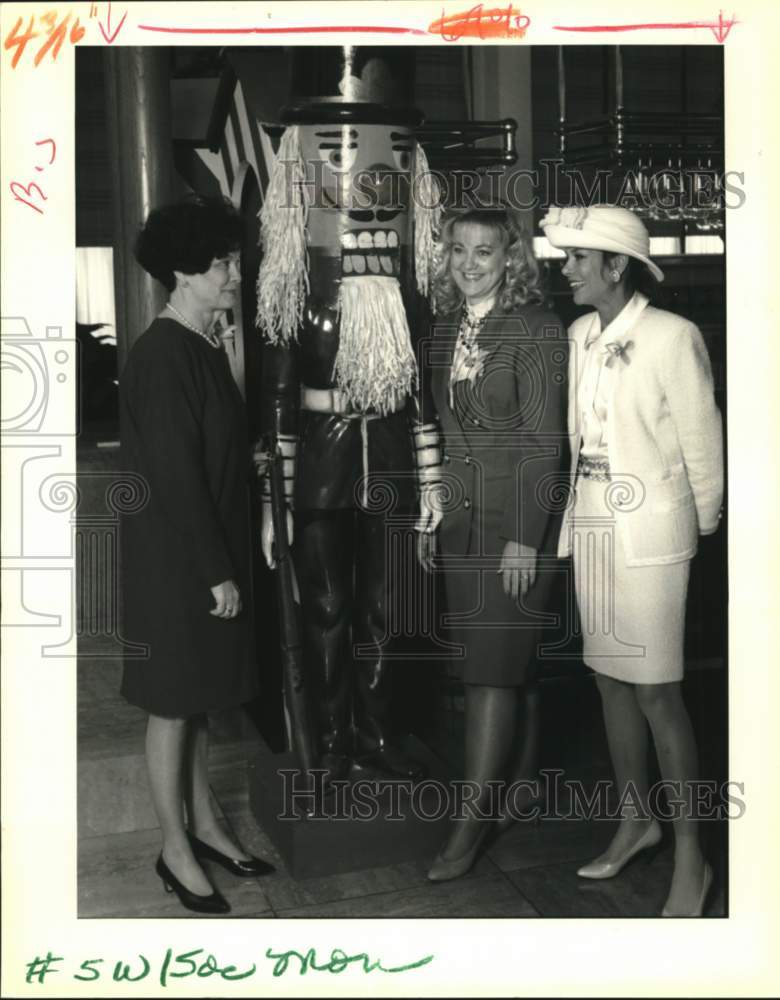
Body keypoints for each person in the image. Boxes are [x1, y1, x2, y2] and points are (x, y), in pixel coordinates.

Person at [539, 204, 724, 917]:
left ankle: (691, 857)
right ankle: (635, 821)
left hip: (652, 536)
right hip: (590, 524)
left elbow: (705, 449)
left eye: (580, 259)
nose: (568, 270)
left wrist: (696, 530)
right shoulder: (580, 333)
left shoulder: (674, 337)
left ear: (615, 266)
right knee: (609, 683)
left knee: (656, 692)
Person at [119, 196, 275, 916]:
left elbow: (205, 446)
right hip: (179, 559)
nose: (233, 274)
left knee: (202, 695)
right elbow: (175, 476)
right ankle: (174, 849)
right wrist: (217, 571)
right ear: (184, 274)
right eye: (222, 265)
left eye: (233, 261)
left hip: (204, 547)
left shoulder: (203, 343)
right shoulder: (160, 354)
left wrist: (247, 456)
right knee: (173, 704)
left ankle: (208, 825)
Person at [421, 207, 569, 881]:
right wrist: (435, 507)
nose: (470, 262)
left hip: (515, 529)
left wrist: (524, 541)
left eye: (485, 251)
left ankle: (466, 827)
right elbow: (448, 435)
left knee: (488, 675)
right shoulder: (446, 327)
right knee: (510, 665)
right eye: (458, 249)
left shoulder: (538, 329)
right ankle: (525, 785)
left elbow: (545, 447)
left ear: (512, 257)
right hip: (461, 525)